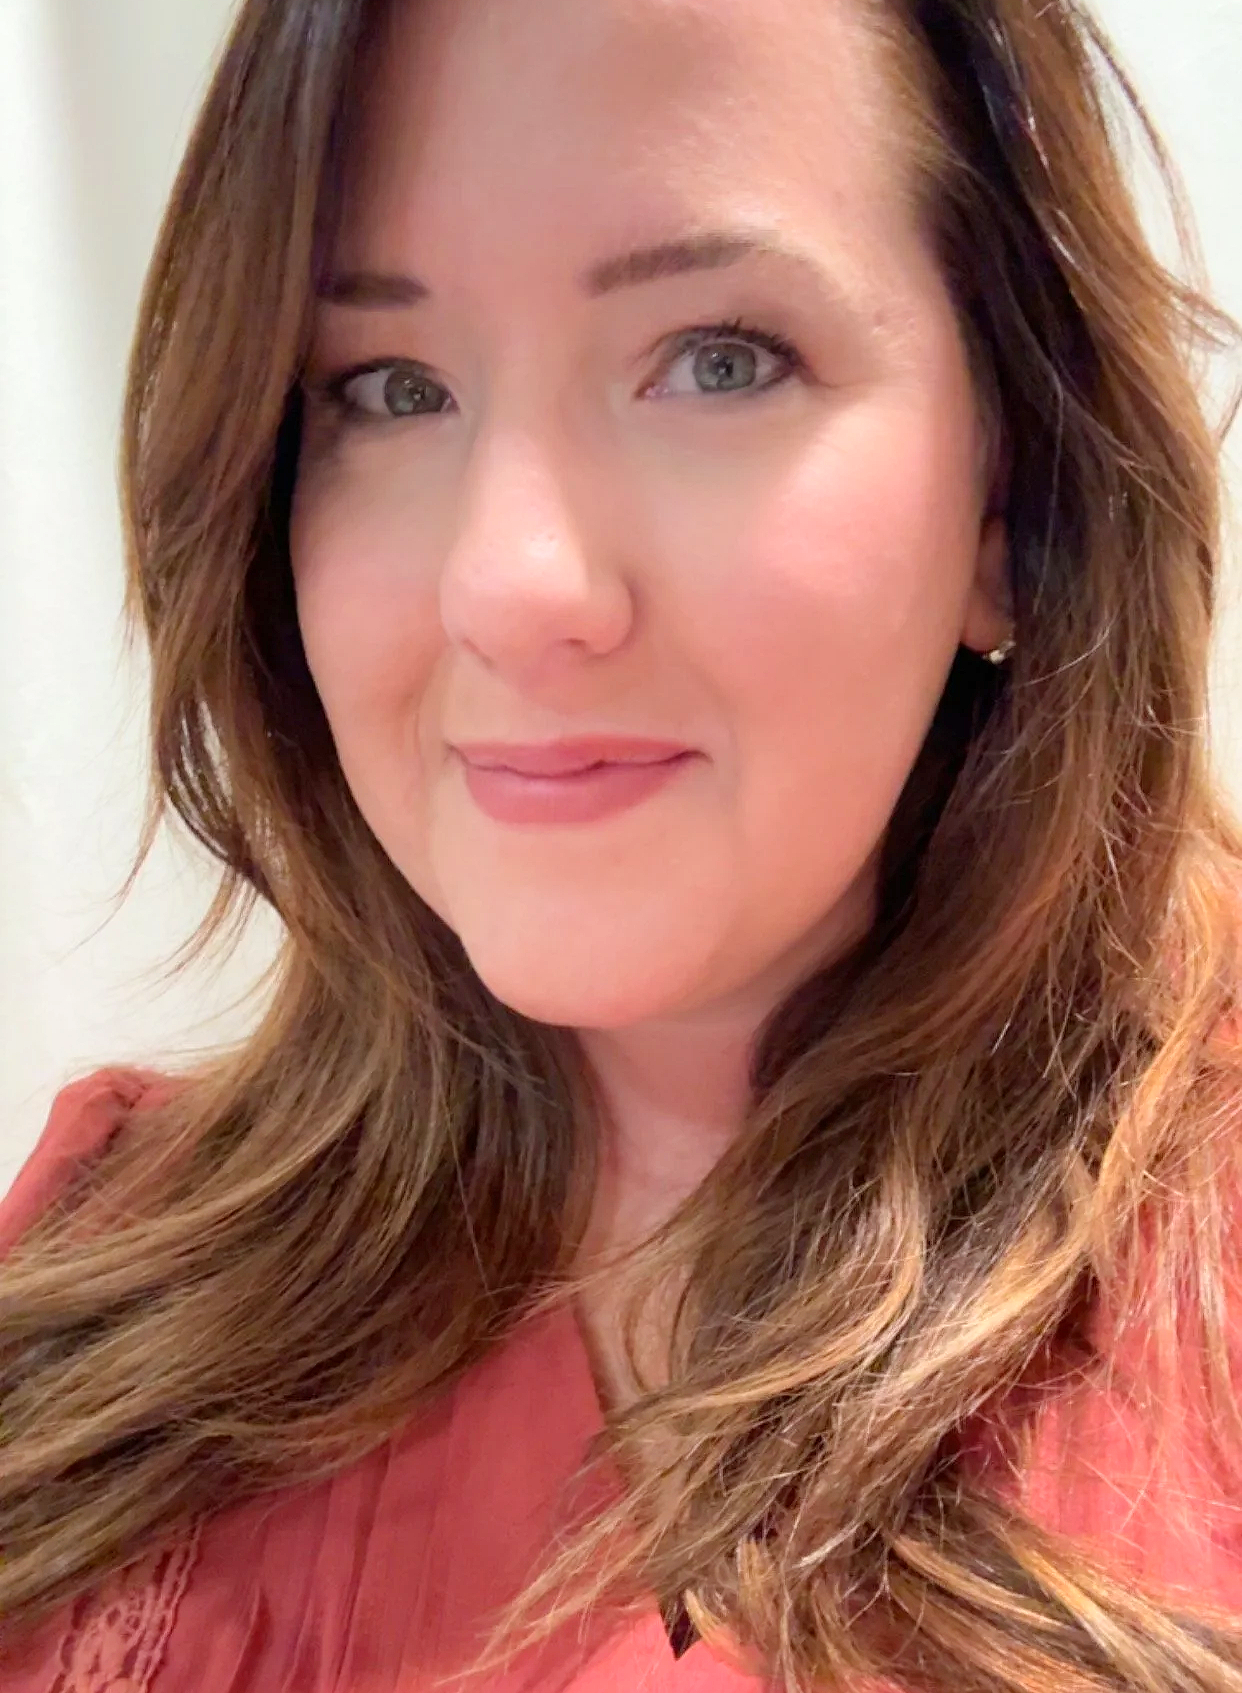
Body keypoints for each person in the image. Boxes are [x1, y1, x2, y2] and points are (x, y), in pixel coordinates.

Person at [2, 0, 1241, 1687]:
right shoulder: (93, 1265)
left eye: (718, 358)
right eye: (386, 386)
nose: (510, 585)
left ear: (1008, 508)